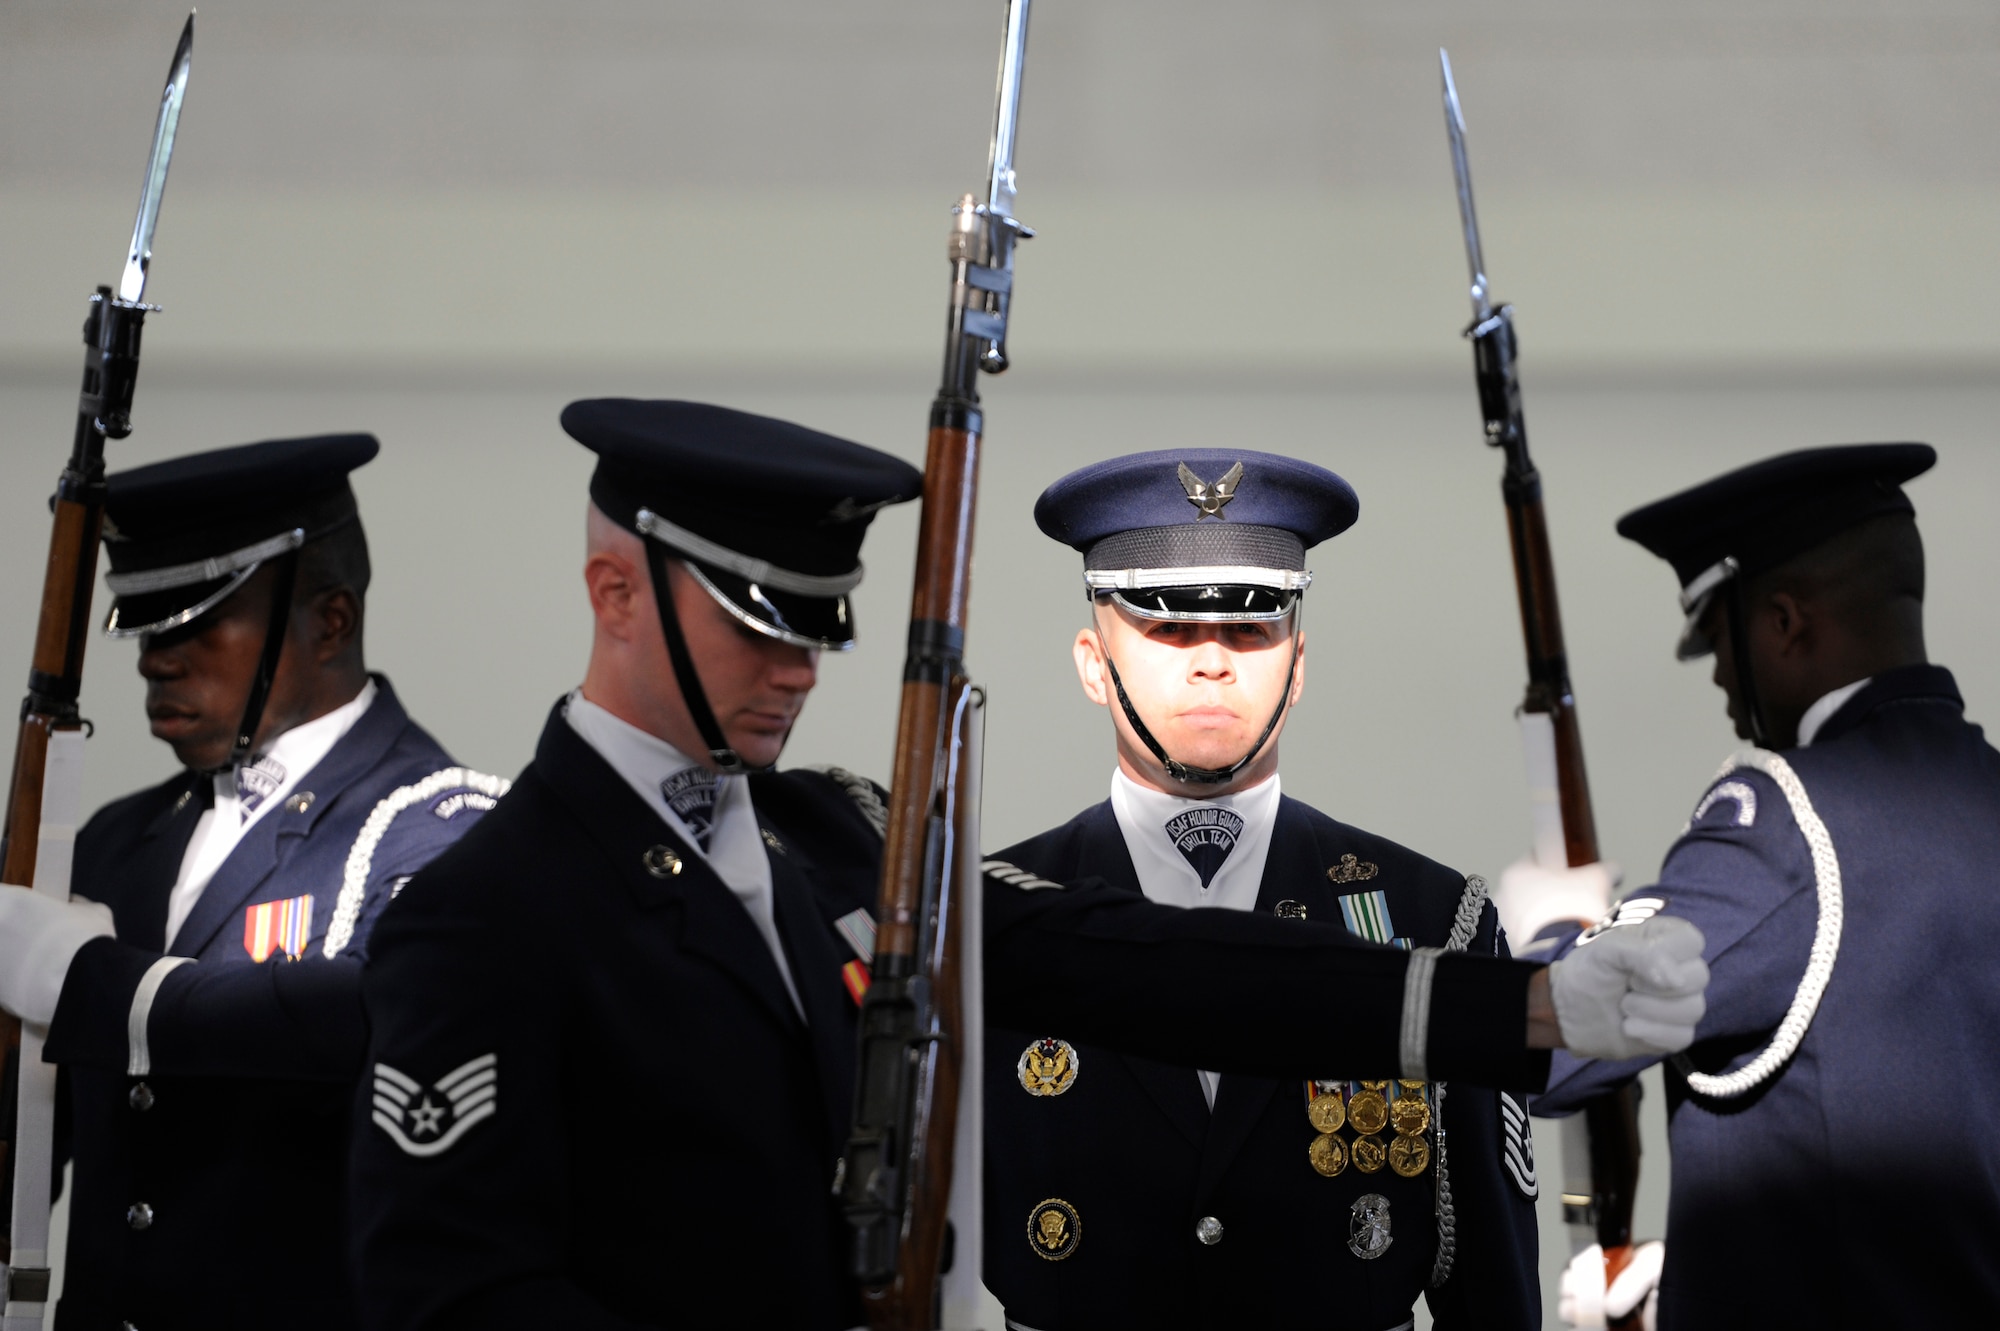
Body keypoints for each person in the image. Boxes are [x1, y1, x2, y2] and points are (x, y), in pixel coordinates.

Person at [348, 399, 1708, 1330]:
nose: (797, 669)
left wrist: (1523, 1010)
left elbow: (1150, 964)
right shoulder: (490, 912)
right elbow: (450, 1298)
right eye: (757, 624)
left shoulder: (825, 840)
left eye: (819, 628)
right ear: (617, 593)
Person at [981, 448, 1545, 1330]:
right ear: (1094, 664)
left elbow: (1490, 1292)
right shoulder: (990, 922)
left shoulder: (1432, 918)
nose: (1214, 661)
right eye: (1167, 628)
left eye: (1251, 629)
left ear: (1299, 661)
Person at [0, 435, 504, 1331]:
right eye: (149, 624)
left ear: (331, 620)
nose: (158, 657)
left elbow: (379, 1012)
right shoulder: (117, 839)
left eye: (197, 620)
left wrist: (97, 984)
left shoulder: (440, 822)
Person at [1501, 444, 2000, 1329]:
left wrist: (1547, 930)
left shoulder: (1788, 823)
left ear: (1783, 622)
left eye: (1721, 642)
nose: (1725, 679)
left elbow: (1556, 1049)